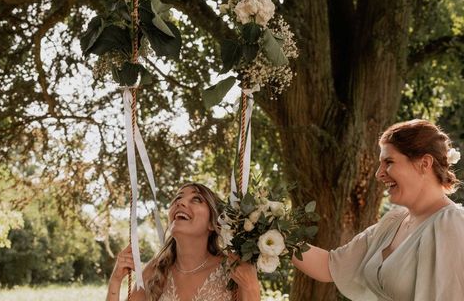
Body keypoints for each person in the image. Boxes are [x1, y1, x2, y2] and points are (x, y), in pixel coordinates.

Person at [293, 119, 464, 300]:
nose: (379, 173)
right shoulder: (393, 222)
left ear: (425, 163)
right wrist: (274, 233)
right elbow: (327, 266)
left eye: (388, 162)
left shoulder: (452, 225)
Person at [107, 182, 261, 301]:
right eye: (178, 197)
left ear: (212, 223)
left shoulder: (234, 270)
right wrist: (115, 280)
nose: (180, 203)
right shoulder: (155, 271)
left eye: (196, 199)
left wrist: (251, 287)